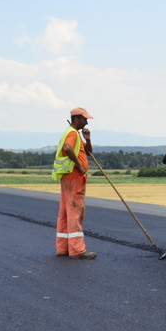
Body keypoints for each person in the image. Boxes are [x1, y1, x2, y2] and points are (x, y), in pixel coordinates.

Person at [53, 107, 97, 259]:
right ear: (77, 118)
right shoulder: (72, 133)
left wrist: (88, 139)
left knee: (65, 212)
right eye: (85, 119)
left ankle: (63, 248)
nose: (86, 122)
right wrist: (79, 165)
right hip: (75, 176)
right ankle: (77, 250)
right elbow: (67, 148)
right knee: (75, 212)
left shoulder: (74, 134)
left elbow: (88, 152)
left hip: (68, 177)